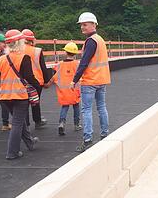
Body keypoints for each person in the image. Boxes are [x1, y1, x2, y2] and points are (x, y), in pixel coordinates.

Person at [0, 30, 39, 160]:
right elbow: (30, 78)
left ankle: (30, 142)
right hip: (19, 95)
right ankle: (12, 152)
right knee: (17, 124)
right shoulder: (24, 58)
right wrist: (39, 86)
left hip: (4, 96)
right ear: (20, 42)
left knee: (18, 121)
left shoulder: (1, 58)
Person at [73, 12, 110, 152]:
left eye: (85, 24)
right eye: (81, 25)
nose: (82, 27)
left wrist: (75, 79)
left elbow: (84, 62)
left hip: (90, 80)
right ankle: (104, 134)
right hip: (102, 79)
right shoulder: (100, 39)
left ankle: (88, 139)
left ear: (94, 25)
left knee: (86, 110)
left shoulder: (90, 41)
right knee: (101, 107)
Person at [45, 42, 82, 136]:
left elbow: (54, 76)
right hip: (74, 90)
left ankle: (61, 123)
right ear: (75, 53)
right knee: (76, 106)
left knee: (64, 107)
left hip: (63, 91)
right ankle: (76, 124)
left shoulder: (59, 65)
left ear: (65, 52)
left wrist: (48, 84)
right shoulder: (77, 64)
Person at [21, 29, 52, 128]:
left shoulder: (17, 50)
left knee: (24, 103)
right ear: (32, 40)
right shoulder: (37, 51)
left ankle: (25, 124)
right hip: (36, 81)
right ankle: (38, 121)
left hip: (21, 81)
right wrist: (47, 81)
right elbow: (43, 67)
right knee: (35, 101)